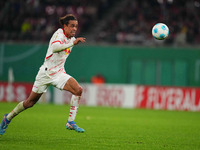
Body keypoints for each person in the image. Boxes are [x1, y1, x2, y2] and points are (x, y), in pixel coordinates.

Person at [0, 14, 86, 135]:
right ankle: (7, 118)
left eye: (76, 26)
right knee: (29, 103)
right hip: (45, 73)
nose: (74, 29)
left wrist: (72, 43)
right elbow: (55, 47)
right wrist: (73, 43)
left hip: (59, 73)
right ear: (65, 26)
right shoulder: (59, 34)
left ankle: (70, 122)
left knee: (78, 90)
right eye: (72, 26)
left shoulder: (72, 40)